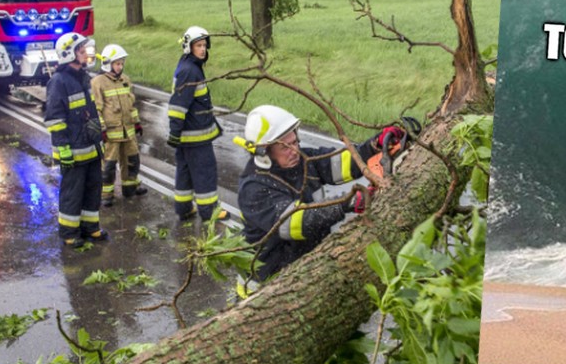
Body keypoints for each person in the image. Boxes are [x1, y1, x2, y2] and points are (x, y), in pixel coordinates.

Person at [235, 105, 411, 282]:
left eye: (295, 142)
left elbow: (340, 162)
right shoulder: (254, 188)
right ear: (264, 152)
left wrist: (374, 146)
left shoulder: (303, 160)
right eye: (286, 147)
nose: (295, 151)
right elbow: (297, 222)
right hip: (269, 282)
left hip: (307, 266)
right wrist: (347, 202)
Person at [44, 32, 107, 249]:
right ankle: (69, 232)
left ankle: (90, 227)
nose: (86, 54)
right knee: (73, 192)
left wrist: (99, 136)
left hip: (91, 147)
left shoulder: (84, 77)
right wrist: (63, 149)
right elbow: (55, 121)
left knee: (93, 188)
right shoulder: (58, 82)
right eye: (81, 51)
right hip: (73, 150)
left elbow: (91, 112)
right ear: (69, 54)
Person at [167, 26, 225, 222]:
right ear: (188, 47)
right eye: (198, 45)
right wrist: (174, 131)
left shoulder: (189, 66)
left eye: (204, 45)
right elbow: (178, 105)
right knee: (205, 171)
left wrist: (176, 133)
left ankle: (183, 208)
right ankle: (209, 211)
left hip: (187, 135)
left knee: (185, 172)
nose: (202, 49)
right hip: (196, 136)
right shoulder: (190, 71)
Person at [91, 43, 147, 205]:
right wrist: (101, 130)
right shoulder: (97, 82)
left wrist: (136, 122)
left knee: (132, 160)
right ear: (107, 63)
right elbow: (96, 109)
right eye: (117, 64)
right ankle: (106, 194)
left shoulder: (125, 80)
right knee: (108, 165)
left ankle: (130, 187)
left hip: (128, 131)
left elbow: (131, 105)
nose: (120, 67)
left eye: (122, 63)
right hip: (111, 133)